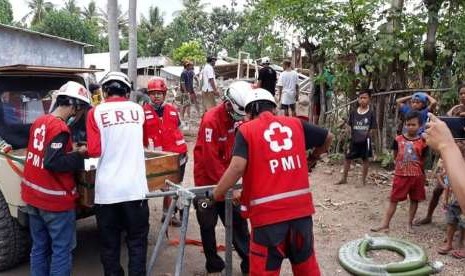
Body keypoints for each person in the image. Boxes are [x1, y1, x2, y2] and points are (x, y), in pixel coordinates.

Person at [213, 88, 333, 275]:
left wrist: (216, 194)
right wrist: (314, 158)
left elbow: (236, 168)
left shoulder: (247, 131)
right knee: (307, 269)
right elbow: (328, 137)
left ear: (250, 112)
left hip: (268, 221)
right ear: (274, 109)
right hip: (301, 216)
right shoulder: (295, 125)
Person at [21, 81, 90, 276]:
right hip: (54, 202)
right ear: (73, 105)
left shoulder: (40, 121)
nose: (79, 114)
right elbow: (54, 162)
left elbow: (45, 152)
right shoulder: (60, 128)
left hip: (33, 197)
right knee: (61, 250)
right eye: (80, 108)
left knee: (39, 247)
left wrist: (70, 149)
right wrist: (79, 155)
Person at [86, 71, 150, 276]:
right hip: (135, 190)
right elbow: (142, 140)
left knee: (109, 244)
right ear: (127, 91)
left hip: (107, 193)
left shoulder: (95, 112)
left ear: (105, 91)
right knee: (137, 241)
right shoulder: (138, 110)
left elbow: (95, 151)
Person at [193, 81, 251, 275]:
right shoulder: (211, 120)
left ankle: (249, 261)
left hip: (228, 179)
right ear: (228, 104)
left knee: (238, 222)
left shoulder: (239, 119)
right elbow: (210, 161)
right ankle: (213, 263)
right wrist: (229, 187)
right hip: (206, 181)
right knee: (207, 223)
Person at [415, 85, 465, 225]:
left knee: (460, 190)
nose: (463, 96)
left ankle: (458, 230)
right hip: (451, 153)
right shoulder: (455, 109)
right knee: (439, 188)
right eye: (461, 93)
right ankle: (429, 216)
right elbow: (445, 126)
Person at [371, 111, 428, 233]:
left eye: (414, 125)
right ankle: (385, 224)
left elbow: (423, 159)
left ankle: (409, 224)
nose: (410, 127)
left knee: (414, 200)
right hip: (401, 176)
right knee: (394, 199)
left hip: (417, 176)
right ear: (405, 125)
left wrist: (422, 174)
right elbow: (395, 156)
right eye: (408, 124)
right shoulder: (398, 139)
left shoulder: (423, 142)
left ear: (420, 126)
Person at [142, 77, 188, 227]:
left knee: (175, 185)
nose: (156, 96)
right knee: (160, 186)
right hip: (157, 157)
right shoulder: (142, 112)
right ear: (149, 95)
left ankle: (169, 214)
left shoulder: (173, 110)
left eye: (159, 93)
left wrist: (182, 153)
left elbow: (179, 129)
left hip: (177, 154)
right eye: (153, 93)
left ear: (164, 94)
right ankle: (165, 213)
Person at [336, 90, 377, 186]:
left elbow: (373, 128)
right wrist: (349, 133)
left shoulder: (371, 113)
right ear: (358, 99)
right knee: (347, 158)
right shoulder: (354, 112)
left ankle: (363, 181)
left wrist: (368, 136)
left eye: (365, 98)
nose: (362, 100)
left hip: (365, 141)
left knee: (365, 159)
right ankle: (344, 178)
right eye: (361, 98)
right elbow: (349, 125)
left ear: (369, 100)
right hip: (354, 140)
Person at [436, 160, 465, 256]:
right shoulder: (454, 161)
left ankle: (461, 245)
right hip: (454, 198)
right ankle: (449, 244)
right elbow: (448, 182)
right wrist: (445, 198)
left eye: (461, 143)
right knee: (451, 220)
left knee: (463, 223)